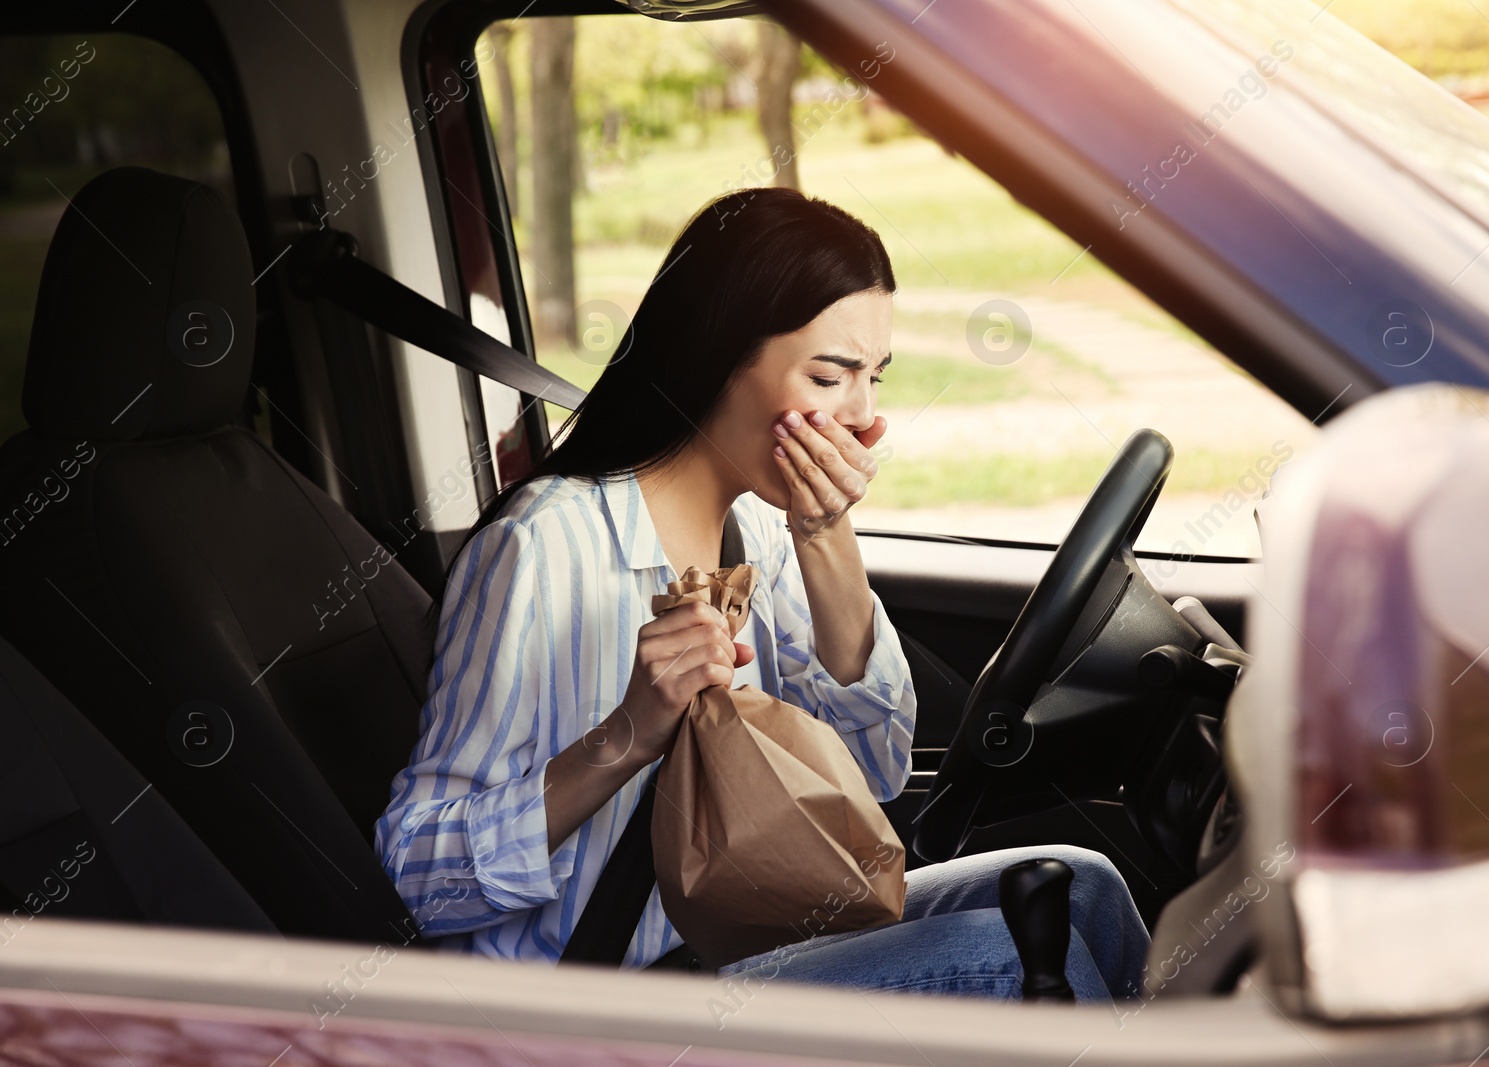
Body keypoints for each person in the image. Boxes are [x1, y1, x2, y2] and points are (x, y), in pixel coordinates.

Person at [374, 186, 1150, 1000]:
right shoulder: (538, 546)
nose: (865, 417)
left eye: (875, 378)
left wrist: (826, 537)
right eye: (830, 374)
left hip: (741, 940)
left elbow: (876, 766)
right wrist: (627, 735)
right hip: (611, 997)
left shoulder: (763, 535)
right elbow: (415, 872)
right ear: (721, 354)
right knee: (1015, 953)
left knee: (1084, 886)